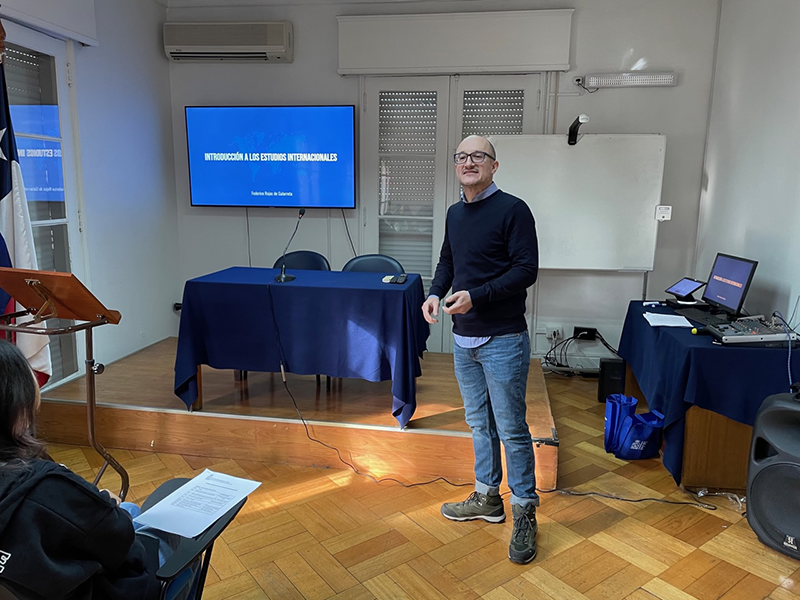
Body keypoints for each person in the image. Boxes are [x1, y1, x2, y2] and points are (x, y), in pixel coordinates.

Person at [421, 135, 540, 564]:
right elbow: (448, 263)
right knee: (478, 424)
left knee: (511, 428)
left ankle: (525, 509)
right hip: (461, 338)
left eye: (478, 156)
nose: (469, 162)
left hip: (503, 338)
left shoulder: (513, 210)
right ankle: (489, 498)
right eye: (462, 157)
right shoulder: (455, 213)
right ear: (456, 166)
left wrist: (479, 296)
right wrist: (436, 293)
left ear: (494, 165)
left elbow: (527, 270)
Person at [0, 338, 191, 599]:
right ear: (15, 403)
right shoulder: (46, 486)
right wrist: (108, 508)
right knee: (173, 531)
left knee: (132, 509)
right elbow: (120, 541)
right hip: (102, 588)